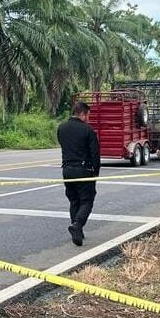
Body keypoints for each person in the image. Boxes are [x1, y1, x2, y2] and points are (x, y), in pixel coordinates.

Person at [57, 102, 100, 246]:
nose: (88, 118)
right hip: (83, 170)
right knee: (87, 200)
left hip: (67, 170)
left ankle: (77, 231)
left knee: (74, 200)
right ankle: (77, 225)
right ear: (82, 114)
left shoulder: (61, 128)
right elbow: (95, 154)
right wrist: (96, 172)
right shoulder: (88, 130)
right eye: (88, 115)